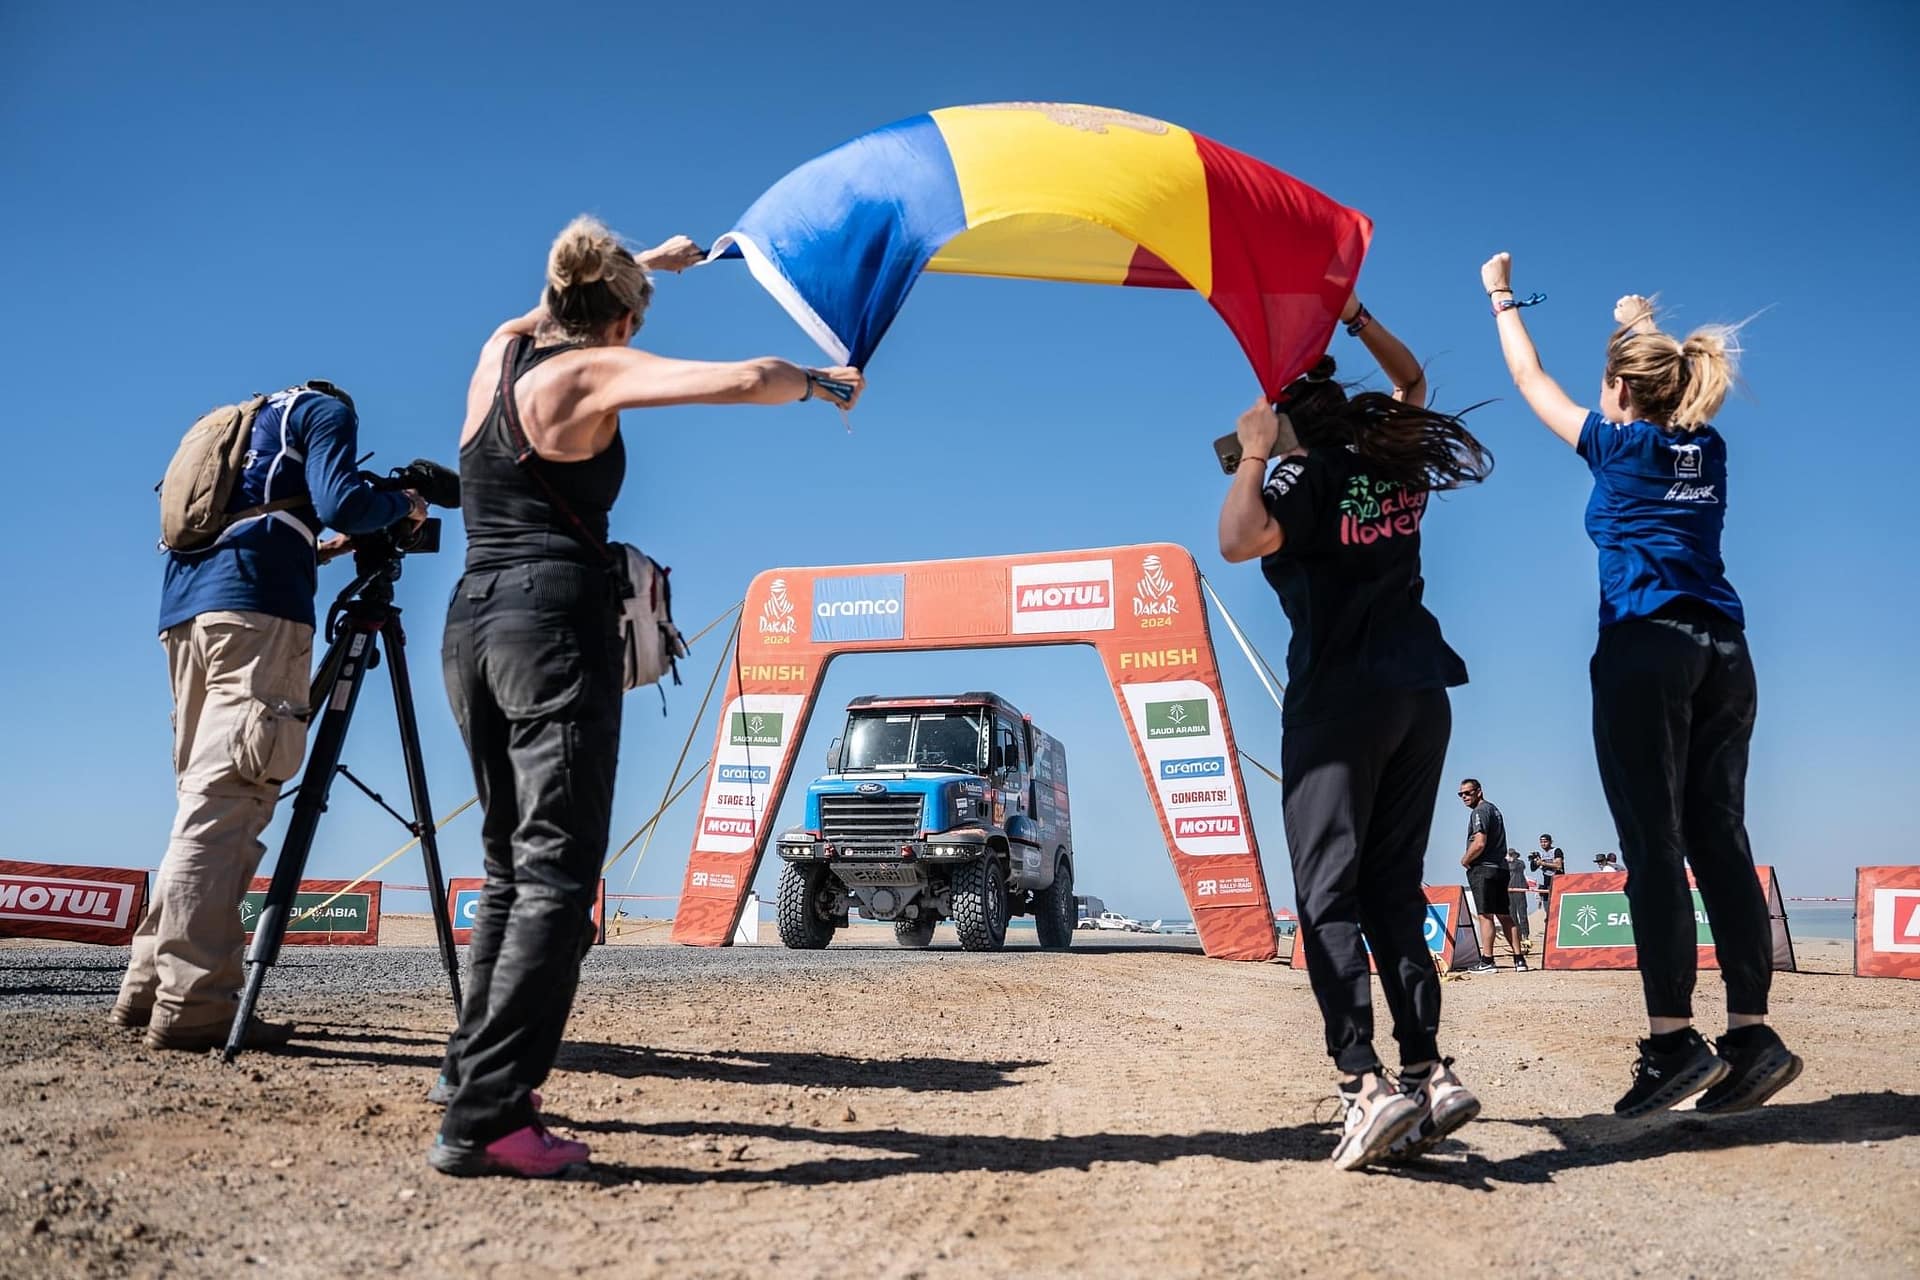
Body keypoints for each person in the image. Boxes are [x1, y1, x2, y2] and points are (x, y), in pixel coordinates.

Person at [429, 217, 864, 1179]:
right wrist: (819, 381)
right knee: (556, 876)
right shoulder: (586, 373)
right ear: (618, 321)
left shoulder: (499, 356)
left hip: (470, 621)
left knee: (509, 865)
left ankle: (473, 1072)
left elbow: (543, 307)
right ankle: (489, 1116)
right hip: (549, 621)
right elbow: (747, 378)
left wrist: (650, 268)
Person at [1482, 251, 1800, 1117]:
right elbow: (1660, 380)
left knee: (1654, 848)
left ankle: (1671, 1045)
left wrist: (1500, 294)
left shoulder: (1614, 447)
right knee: (1721, 840)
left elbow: (1526, 372)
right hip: (1727, 650)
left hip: (1646, 647)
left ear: (1622, 390)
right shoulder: (1711, 448)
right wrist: (1636, 326)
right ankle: (1749, 1037)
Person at [1218, 293, 1493, 1171]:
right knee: (1392, 894)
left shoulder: (1299, 475)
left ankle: (1363, 1088)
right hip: (1420, 697)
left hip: (1342, 706)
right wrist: (1358, 316)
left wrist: (1254, 457)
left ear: (1290, 424)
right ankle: (1429, 1073)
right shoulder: (1392, 462)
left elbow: (1235, 538)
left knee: (1326, 897)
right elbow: (1412, 381)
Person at [115, 387, 425, 1051]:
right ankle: (195, 1003)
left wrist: (332, 547)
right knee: (231, 801)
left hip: (188, 614)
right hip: (259, 613)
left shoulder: (241, 424)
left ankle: (147, 989)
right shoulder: (323, 411)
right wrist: (402, 505)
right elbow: (345, 499)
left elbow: (263, 522)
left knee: (202, 802)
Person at [1457, 779, 1526, 972]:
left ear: (1479, 791)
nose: (1464, 797)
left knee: (1485, 916)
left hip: (1484, 869)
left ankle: (1487, 960)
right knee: (1505, 915)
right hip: (1500, 868)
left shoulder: (1479, 811)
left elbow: (1479, 842)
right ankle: (1519, 960)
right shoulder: (1494, 809)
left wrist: (1465, 860)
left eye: (1467, 793)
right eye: (1461, 794)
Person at [1504, 848, 1532, 941]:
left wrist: (1512, 860)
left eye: (1512, 854)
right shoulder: (1505, 865)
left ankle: (1525, 934)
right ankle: (1518, 935)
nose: (1511, 856)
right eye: (1509, 854)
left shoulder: (1520, 863)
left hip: (1519, 890)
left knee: (1522, 914)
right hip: (1509, 891)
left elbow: (1518, 867)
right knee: (1512, 915)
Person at [1534, 834, 1566, 913]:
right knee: (1547, 909)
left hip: (1558, 881)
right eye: (1541, 842)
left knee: (1558, 907)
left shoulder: (1556, 851)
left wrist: (1544, 863)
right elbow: (1533, 869)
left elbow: (1558, 866)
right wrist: (1535, 861)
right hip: (1546, 883)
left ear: (1550, 842)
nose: (1543, 844)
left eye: (1545, 842)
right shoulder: (1541, 854)